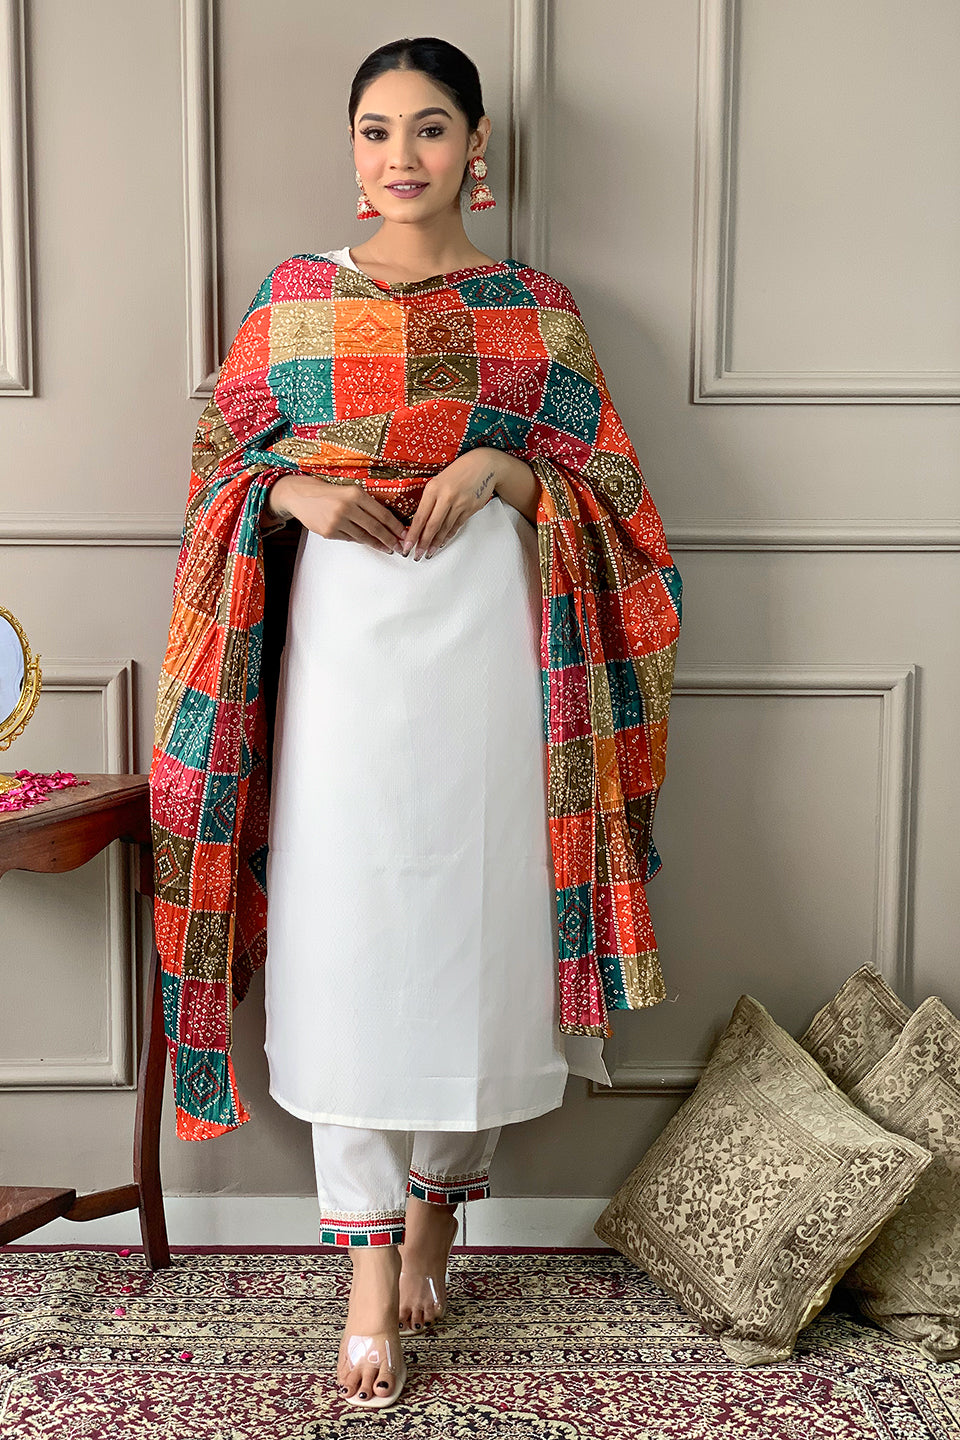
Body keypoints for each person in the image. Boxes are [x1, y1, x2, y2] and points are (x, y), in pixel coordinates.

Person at [148, 35, 682, 1413]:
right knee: (351, 934)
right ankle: (368, 1271)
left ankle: (443, 1201)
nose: (402, 156)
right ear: (352, 149)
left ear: (478, 147)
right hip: (343, 654)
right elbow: (220, 467)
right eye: (377, 130)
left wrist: (510, 466)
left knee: (476, 927)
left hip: (493, 652)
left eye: (432, 129)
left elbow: (610, 492)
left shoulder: (534, 312)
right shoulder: (293, 303)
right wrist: (292, 495)